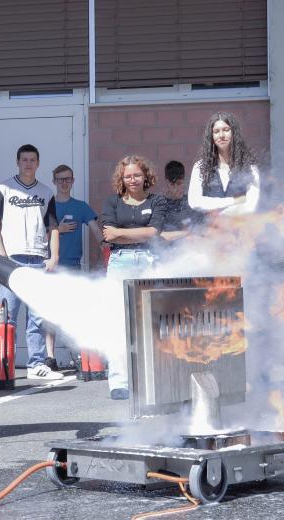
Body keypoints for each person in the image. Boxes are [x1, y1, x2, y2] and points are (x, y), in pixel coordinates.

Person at [0, 144, 63, 380]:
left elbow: (54, 228)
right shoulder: (3, 188)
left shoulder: (46, 192)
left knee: (37, 316)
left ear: (38, 163)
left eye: (32, 160)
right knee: (7, 316)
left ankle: (36, 364)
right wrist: (1, 256)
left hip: (38, 259)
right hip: (13, 261)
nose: (28, 164)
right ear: (17, 162)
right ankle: (4, 366)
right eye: (24, 160)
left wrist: (54, 256)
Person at [100, 155, 166, 399]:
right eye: (128, 176)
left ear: (145, 176)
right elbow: (108, 236)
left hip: (149, 263)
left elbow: (153, 232)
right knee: (119, 324)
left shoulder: (157, 201)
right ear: (122, 178)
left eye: (137, 175)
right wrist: (126, 234)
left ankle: (151, 379)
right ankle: (120, 382)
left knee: (149, 323)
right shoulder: (112, 202)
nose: (133, 179)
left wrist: (121, 232)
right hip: (120, 263)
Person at [44, 164, 103, 370]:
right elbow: (36, 236)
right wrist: (57, 230)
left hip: (74, 268)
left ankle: (78, 355)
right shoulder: (47, 205)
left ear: (73, 181)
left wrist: (104, 251)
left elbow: (97, 232)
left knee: (75, 313)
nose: (64, 183)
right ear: (54, 181)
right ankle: (49, 356)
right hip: (51, 268)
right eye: (60, 179)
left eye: (68, 179)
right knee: (50, 313)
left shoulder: (80, 207)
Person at [187, 112, 260, 217]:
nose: (221, 135)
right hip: (208, 231)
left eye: (226, 130)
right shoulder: (200, 167)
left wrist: (220, 213)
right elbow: (195, 202)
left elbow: (251, 206)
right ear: (211, 136)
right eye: (216, 131)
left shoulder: (250, 168)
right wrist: (234, 201)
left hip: (240, 230)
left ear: (234, 133)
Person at [158, 160, 196, 242]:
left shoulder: (191, 202)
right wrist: (186, 234)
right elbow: (158, 235)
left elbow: (202, 229)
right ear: (167, 182)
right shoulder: (159, 205)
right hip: (166, 250)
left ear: (184, 181)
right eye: (172, 185)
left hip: (190, 249)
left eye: (179, 184)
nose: (176, 189)